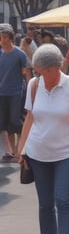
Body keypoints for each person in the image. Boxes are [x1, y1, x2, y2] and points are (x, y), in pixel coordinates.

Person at [17, 43, 69, 234]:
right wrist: (22, 148)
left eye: (40, 70)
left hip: (66, 153)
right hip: (38, 153)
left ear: (54, 68)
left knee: (63, 200)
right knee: (45, 204)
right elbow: (30, 117)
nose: (37, 74)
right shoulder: (34, 85)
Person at [0, 23, 31, 162]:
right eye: (1, 36)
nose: (2, 39)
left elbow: (25, 74)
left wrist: (30, 90)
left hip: (16, 92)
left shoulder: (19, 54)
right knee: (5, 123)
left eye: (4, 36)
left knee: (15, 121)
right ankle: (12, 151)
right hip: (2, 93)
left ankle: (20, 148)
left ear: (10, 38)